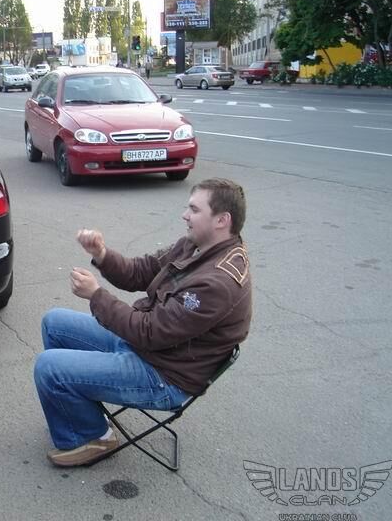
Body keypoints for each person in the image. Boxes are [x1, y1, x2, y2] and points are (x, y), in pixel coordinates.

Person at [34, 178, 251, 467]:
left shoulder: (218, 283)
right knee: (54, 323)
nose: (185, 215)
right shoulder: (194, 246)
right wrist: (101, 254)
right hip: (148, 348)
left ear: (222, 220)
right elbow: (141, 271)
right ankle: (77, 414)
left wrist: (96, 295)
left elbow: (149, 332)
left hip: (163, 375)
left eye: (194, 210)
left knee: (49, 367)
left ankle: (91, 436)